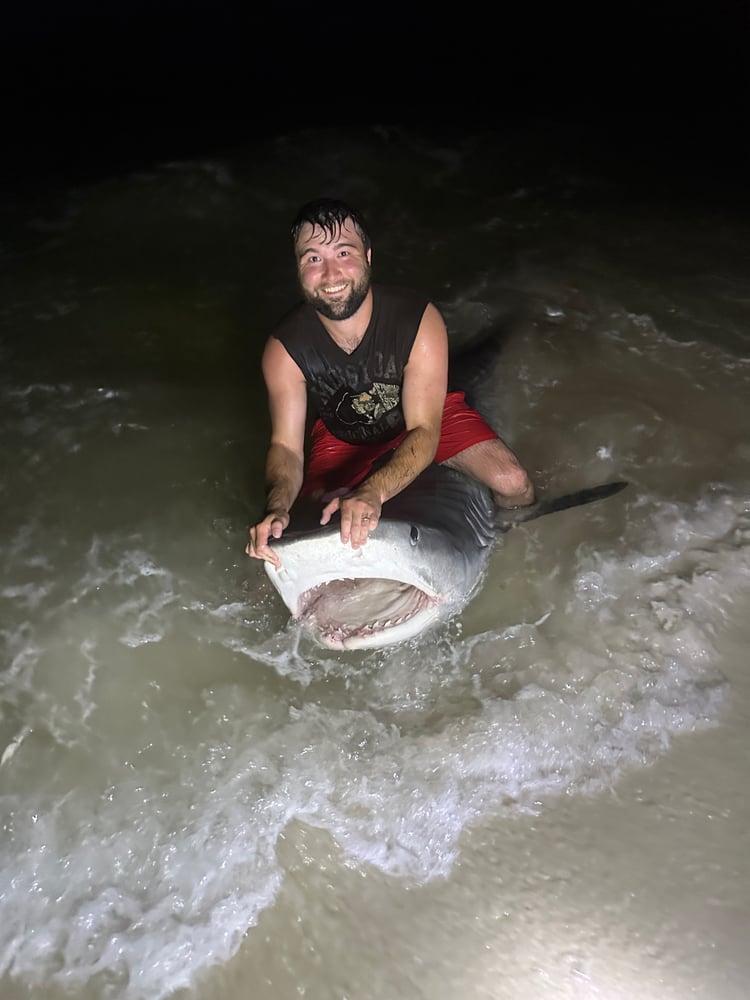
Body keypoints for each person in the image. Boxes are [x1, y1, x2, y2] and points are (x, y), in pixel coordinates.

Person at [246, 198, 535, 567]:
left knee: (512, 481)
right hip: (342, 434)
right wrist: (277, 508)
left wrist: (374, 491)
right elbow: (286, 448)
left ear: (367, 256)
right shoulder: (283, 348)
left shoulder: (416, 319)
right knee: (285, 540)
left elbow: (425, 431)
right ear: (299, 269)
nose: (331, 273)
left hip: (422, 416)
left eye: (343, 253)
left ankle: (521, 556)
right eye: (313, 258)